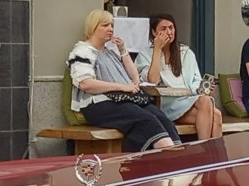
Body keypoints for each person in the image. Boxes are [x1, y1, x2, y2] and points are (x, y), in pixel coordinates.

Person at [68, 10, 180, 152]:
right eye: (105, 25)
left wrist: (123, 51)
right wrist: (122, 87)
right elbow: (86, 84)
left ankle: (176, 155)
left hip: (123, 99)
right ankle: (167, 157)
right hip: (98, 103)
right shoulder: (83, 51)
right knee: (145, 119)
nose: (110, 29)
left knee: (160, 117)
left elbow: (135, 78)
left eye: (112, 25)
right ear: (93, 27)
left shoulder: (110, 51)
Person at [137, 13, 222, 141]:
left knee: (212, 109)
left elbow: (195, 80)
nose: (169, 32)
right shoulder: (145, 54)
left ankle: (210, 154)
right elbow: (153, 80)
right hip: (165, 103)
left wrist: (202, 87)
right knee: (212, 110)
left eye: (171, 28)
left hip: (188, 100)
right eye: (163, 29)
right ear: (154, 33)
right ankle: (209, 155)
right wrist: (157, 50)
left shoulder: (186, 53)